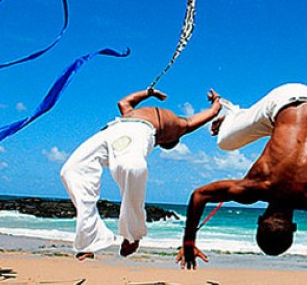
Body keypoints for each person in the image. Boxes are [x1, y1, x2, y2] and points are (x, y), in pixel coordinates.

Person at [176, 83, 307, 279]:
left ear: (293, 226)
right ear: (259, 221)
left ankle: (236, 119)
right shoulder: (254, 189)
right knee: (224, 143)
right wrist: (188, 241)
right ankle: (230, 113)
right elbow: (199, 195)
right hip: (284, 97)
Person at [61, 88, 221, 260]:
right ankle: (91, 237)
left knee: (132, 168)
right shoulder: (129, 112)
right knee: (71, 170)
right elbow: (123, 102)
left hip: (136, 132)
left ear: (166, 138)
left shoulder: (179, 126)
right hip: (111, 129)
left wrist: (216, 105)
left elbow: (207, 115)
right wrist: (148, 93)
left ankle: (133, 234)